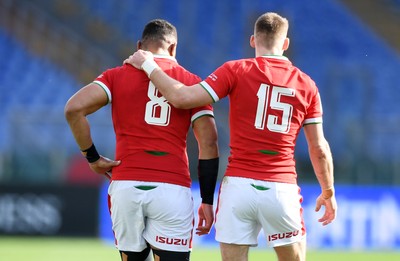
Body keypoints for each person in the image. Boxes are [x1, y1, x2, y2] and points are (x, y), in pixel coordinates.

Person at [124, 12, 337, 261]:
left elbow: (181, 98)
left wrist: (148, 65)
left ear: (252, 41)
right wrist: (328, 190)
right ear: (286, 44)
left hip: (239, 188)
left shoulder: (235, 70)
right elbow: (319, 148)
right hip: (281, 187)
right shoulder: (307, 85)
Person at [64, 19, 219, 261]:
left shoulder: (115, 76)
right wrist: (208, 199)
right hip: (172, 186)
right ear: (174, 48)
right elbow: (209, 143)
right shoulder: (191, 83)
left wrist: (92, 158)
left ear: (139, 46)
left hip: (126, 185)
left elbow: (73, 109)